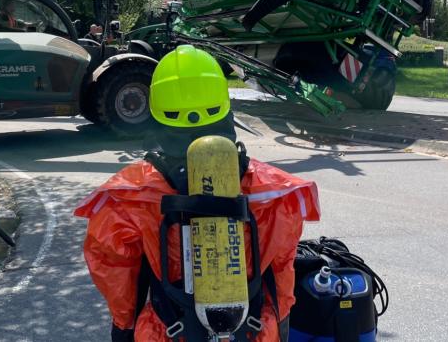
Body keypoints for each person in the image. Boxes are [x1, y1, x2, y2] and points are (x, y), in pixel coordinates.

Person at [75, 45, 320, 341]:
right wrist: (280, 324)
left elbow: (114, 270)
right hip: (254, 331)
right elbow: (280, 272)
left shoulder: (129, 194)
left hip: (166, 332)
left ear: (156, 110)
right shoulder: (276, 191)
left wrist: (124, 326)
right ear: (224, 104)